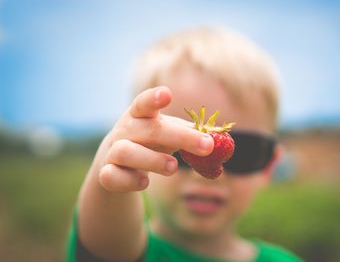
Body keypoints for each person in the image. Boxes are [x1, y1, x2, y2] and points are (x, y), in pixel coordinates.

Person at [66, 27, 302, 262]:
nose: (206, 176)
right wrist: (109, 168)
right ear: (139, 147)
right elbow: (106, 239)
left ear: (269, 165)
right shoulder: (125, 250)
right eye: (176, 146)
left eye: (244, 152)